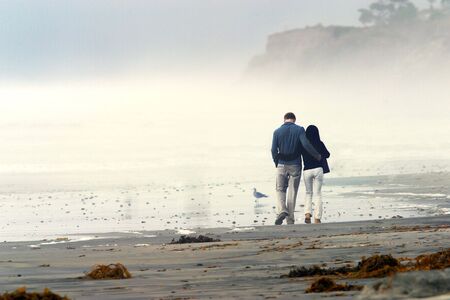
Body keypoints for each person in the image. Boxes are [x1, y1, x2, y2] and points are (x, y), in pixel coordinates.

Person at [271, 112, 321, 225]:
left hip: (281, 165)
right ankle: (290, 219)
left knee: (280, 189)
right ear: (294, 119)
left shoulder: (277, 132)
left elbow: (273, 150)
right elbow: (306, 144)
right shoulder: (299, 130)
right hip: (295, 165)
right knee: (292, 192)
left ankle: (282, 210)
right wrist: (316, 155)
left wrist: (276, 162)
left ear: (284, 119)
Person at [302, 125, 330, 224]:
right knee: (318, 194)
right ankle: (317, 218)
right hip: (318, 169)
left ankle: (307, 214)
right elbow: (327, 154)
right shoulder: (319, 143)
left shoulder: (304, 144)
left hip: (307, 170)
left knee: (308, 193)